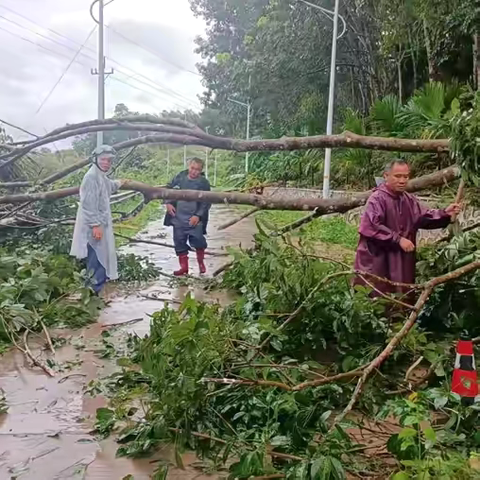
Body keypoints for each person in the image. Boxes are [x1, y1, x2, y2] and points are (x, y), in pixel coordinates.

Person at [354, 160, 461, 296]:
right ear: (386, 176)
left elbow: (424, 216)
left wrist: (445, 213)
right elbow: (372, 227)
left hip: (402, 261)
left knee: (402, 297)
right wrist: (398, 239)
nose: (402, 180)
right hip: (378, 261)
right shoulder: (377, 199)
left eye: (406, 176)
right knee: (378, 296)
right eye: (398, 176)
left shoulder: (408, 200)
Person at [70, 145, 123, 295]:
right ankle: (92, 293)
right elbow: (88, 204)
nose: (106, 163)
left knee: (101, 257)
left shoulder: (100, 175)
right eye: (103, 160)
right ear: (95, 160)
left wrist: (120, 183)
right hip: (94, 225)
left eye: (109, 160)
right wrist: (95, 225)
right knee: (96, 259)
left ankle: (95, 292)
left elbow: (109, 186)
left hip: (100, 223)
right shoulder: (91, 177)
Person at [164, 157, 211, 276]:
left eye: (197, 169)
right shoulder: (180, 177)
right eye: (192, 168)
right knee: (179, 242)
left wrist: (198, 215)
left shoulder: (203, 182)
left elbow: (206, 202)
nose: (194, 171)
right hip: (178, 216)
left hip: (194, 218)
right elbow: (168, 188)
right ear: (188, 166)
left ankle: (201, 263)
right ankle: (184, 268)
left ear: (201, 170)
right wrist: (168, 203)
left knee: (199, 241)